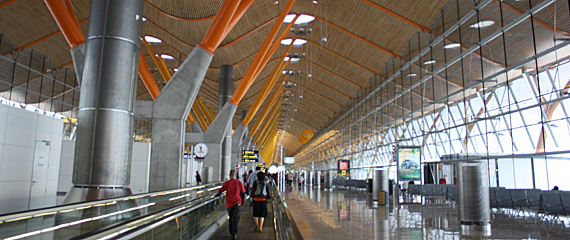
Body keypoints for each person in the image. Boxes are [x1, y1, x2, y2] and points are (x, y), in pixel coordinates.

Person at [217, 170, 245, 240]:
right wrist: (242, 202)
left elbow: (221, 190)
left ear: (230, 175)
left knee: (231, 218)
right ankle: (234, 233)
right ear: (235, 176)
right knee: (235, 218)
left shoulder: (227, 183)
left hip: (229, 203)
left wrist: (218, 194)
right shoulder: (239, 183)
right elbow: (243, 193)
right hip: (237, 203)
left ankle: (231, 233)